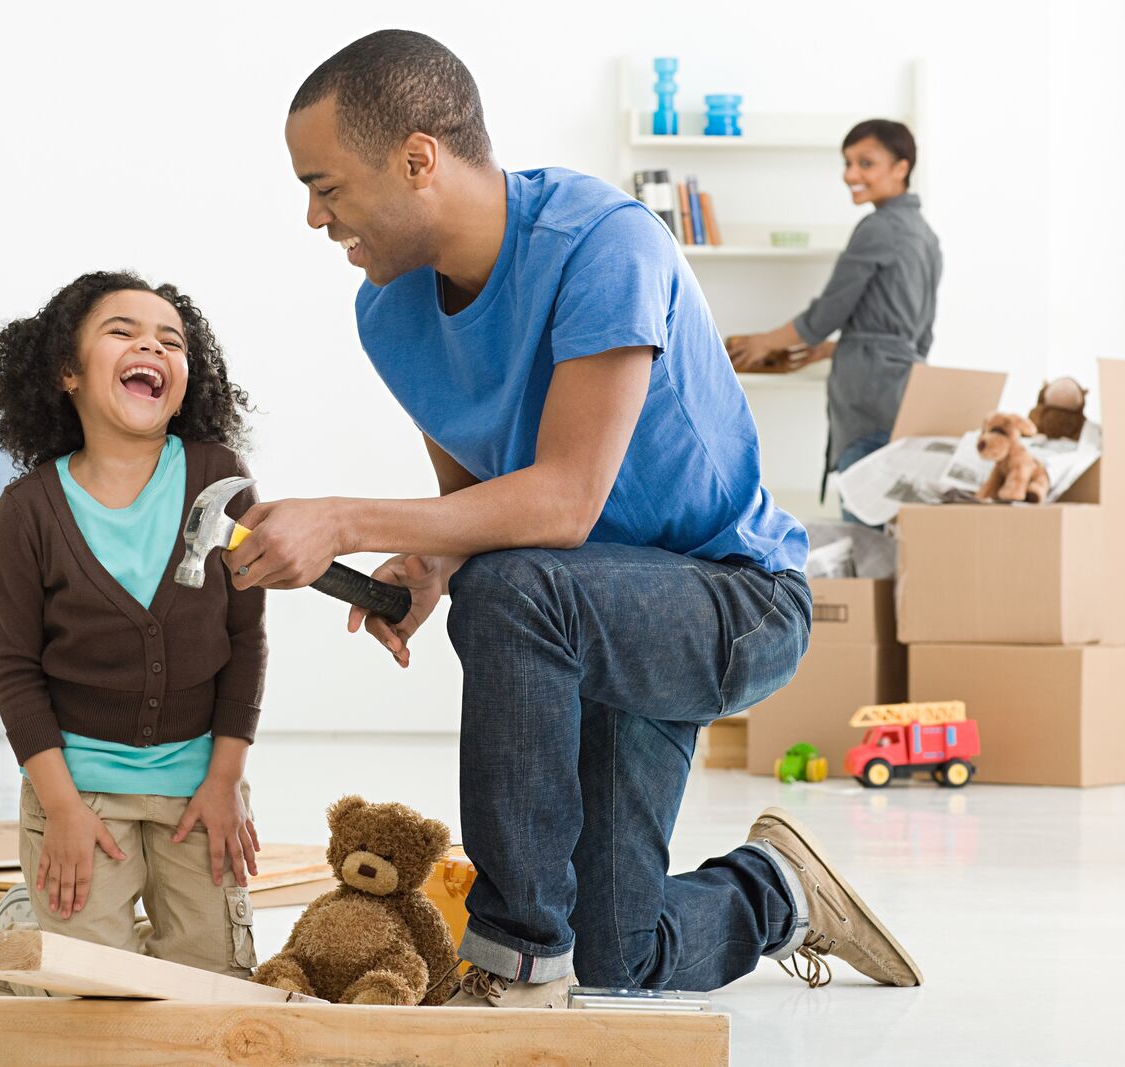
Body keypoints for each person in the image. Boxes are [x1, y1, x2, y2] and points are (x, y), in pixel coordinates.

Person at [233, 30, 922, 1006]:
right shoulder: (388, 311)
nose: (313, 216)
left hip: (733, 598)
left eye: (326, 185)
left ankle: (516, 962)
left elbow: (562, 499)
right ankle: (776, 890)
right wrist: (421, 566)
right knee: (619, 952)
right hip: (582, 612)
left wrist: (340, 519)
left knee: (507, 589)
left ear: (417, 159)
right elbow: (478, 492)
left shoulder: (604, 244)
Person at [0, 271, 265, 982]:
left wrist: (225, 778)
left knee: (212, 987)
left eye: (172, 340)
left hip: (198, 786)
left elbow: (246, 638)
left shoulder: (218, 477)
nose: (153, 346)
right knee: (92, 997)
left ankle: (60, 923)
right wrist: (62, 808)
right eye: (124, 332)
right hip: (78, 790)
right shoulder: (27, 511)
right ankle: (20, 921)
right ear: (68, 372)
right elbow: (16, 672)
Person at [727, 120, 942, 517]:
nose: (850, 175)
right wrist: (832, 350)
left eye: (866, 163)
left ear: (901, 167)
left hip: (870, 401)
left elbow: (825, 314)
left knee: (863, 536)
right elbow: (916, 334)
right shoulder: (925, 234)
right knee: (896, 534)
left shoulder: (878, 227)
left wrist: (761, 344)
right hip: (910, 395)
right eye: (847, 163)